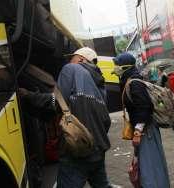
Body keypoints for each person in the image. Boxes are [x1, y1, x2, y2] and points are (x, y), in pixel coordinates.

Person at [112, 52, 170, 188]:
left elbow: (144, 107)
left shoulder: (134, 83)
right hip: (145, 130)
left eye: (117, 65)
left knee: (150, 164)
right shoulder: (130, 80)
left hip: (146, 131)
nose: (115, 67)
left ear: (125, 66)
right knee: (148, 163)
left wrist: (137, 131)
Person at [57, 47, 112, 188]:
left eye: (73, 57)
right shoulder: (100, 82)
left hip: (77, 149)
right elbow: (106, 119)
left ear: (81, 59)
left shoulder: (70, 69)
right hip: (98, 148)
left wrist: (30, 97)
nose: (70, 60)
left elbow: (57, 102)